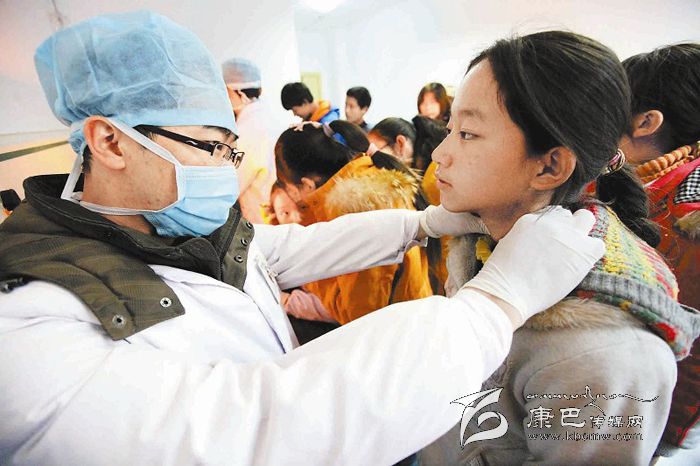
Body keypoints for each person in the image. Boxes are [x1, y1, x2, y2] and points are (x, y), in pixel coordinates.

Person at [0, 12, 607, 465]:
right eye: (211, 147)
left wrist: (417, 224)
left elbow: (281, 251)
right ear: (110, 142)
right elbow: (257, 428)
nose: (230, 170)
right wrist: (492, 307)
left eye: (231, 148)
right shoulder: (31, 330)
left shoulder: (169, 229)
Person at [418, 31, 700, 466]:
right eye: (449, 128)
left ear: (550, 165)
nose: (439, 153)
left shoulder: (603, 351)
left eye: (468, 133)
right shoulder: (484, 241)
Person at [620, 43, 700, 457]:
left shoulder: (689, 217)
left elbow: (693, 347)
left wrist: (664, 433)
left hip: (643, 417)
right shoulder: (634, 183)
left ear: (645, 122)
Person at [274, 120, 436, 324]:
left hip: (400, 330)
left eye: (290, 190)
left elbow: (359, 315)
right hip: (415, 315)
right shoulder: (368, 175)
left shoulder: (353, 208)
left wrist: (309, 274)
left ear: (307, 185)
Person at [221, 58, 281, 223]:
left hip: (263, 214)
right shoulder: (268, 115)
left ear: (235, 91)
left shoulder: (249, 129)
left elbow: (232, 185)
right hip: (273, 208)